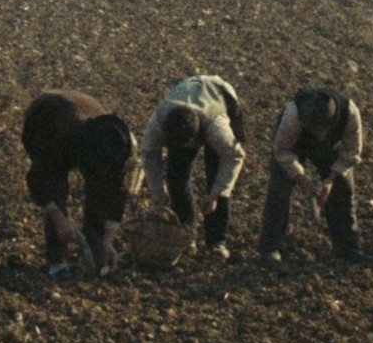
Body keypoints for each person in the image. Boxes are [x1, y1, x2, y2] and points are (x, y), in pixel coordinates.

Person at [21, 90, 138, 279]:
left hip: (81, 116)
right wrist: (57, 217)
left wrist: (109, 237)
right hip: (43, 118)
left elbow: (117, 192)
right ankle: (57, 263)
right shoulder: (57, 138)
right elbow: (37, 178)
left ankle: (94, 253)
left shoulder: (117, 144)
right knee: (56, 191)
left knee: (99, 192)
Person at [140, 75, 245, 260]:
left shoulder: (215, 126)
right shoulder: (160, 121)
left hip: (218, 99)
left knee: (216, 177)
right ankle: (186, 235)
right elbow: (149, 153)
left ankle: (216, 242)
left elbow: (234, 156)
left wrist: (216, 193)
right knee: (176, 179)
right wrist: (157, 190)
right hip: (186, 105)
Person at [258, 86, 367, 264]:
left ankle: (348, 247)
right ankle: (271, 247)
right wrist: (302, 178)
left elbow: (352, 153)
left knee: (343, 189)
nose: (318, 135)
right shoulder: (293, 114)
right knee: (279, 190)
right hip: (293, 146)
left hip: (331, 148)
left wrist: (330, 180)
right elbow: (281, 151)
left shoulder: (350, 112)